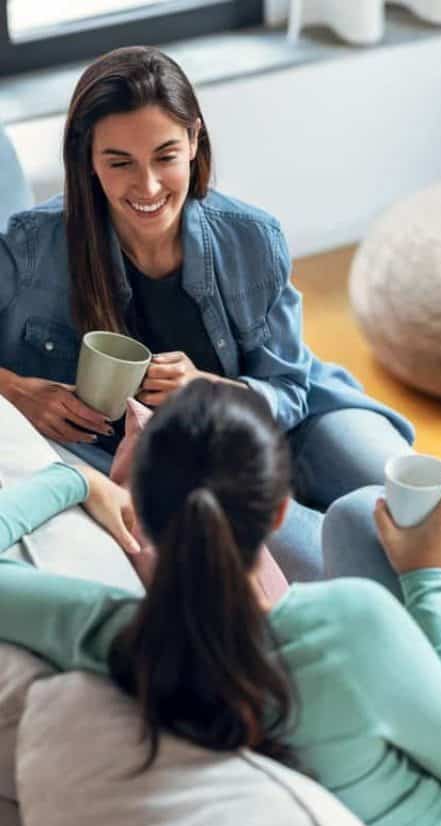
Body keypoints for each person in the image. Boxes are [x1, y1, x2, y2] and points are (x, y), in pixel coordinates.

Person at [0, 380, 441, 826]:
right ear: (276, 516)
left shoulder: (110, 633)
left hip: (380, 780)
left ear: (141, 513)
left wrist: (74, 478)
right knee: (367, 522)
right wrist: (430, 578)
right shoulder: (346, 627)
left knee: (355, 517)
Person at [0, 44, 413, 584]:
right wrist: (16, 391)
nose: (146, 187)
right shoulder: (33, 246)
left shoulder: (252, 237)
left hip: (298, 417)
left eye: (165, 156)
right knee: (348, 566)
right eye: (119, 162)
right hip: (182, 471)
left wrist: (207, 390)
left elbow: (289, 387)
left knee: (415, 499)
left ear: (194, 140)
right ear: (87, 158)